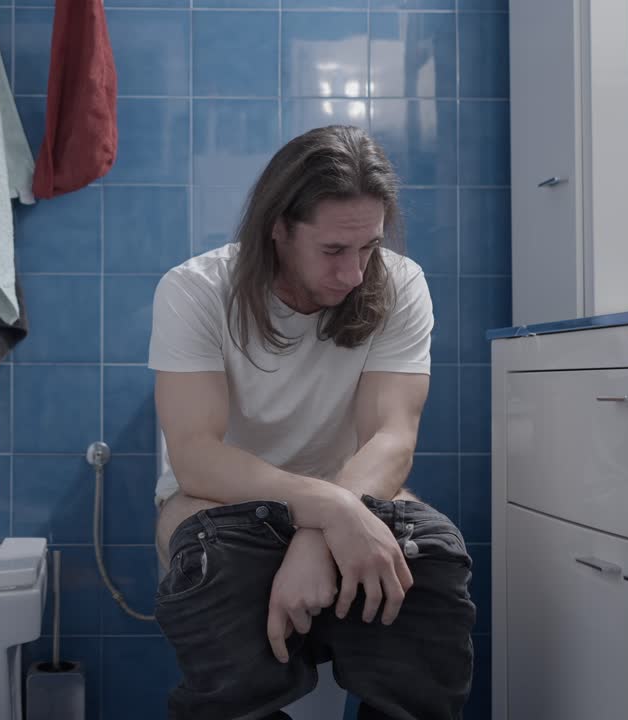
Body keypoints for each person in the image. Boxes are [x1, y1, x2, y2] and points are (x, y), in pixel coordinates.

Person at [149, 125, 476, 720]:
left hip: (355, 491)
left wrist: (318, 528)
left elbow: (392, 437)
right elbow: (196, 456)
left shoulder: (400, 284)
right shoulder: (195, 291)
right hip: (219, 501)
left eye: (369, 247)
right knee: (217, 569)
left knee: (430, 562)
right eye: (333, 251)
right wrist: (333, 513)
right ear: (278, 228)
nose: (354, 274)